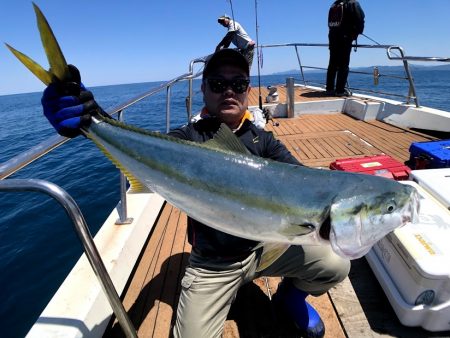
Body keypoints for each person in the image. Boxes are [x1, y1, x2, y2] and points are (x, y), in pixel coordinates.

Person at [41, 48, 350, 338]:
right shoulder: (187, 140)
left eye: (239, 83)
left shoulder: (264, 142)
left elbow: (306, 183)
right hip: (212, 265)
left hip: (264, 250)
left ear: (247, 91)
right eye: (217, 83)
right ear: (203, 90)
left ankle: (290, 298)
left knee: (335, 265)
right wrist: (90, 120)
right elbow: (149, 152)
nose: (229, 90)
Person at [326, 0, 365, 96]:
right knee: (343, 65)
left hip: (333, 37)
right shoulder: (353, 3)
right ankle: (340, 91)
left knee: (332, 64)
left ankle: (329, 89)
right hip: (345, 37)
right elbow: (360, 18)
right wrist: (357, 33)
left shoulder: (334, 4)